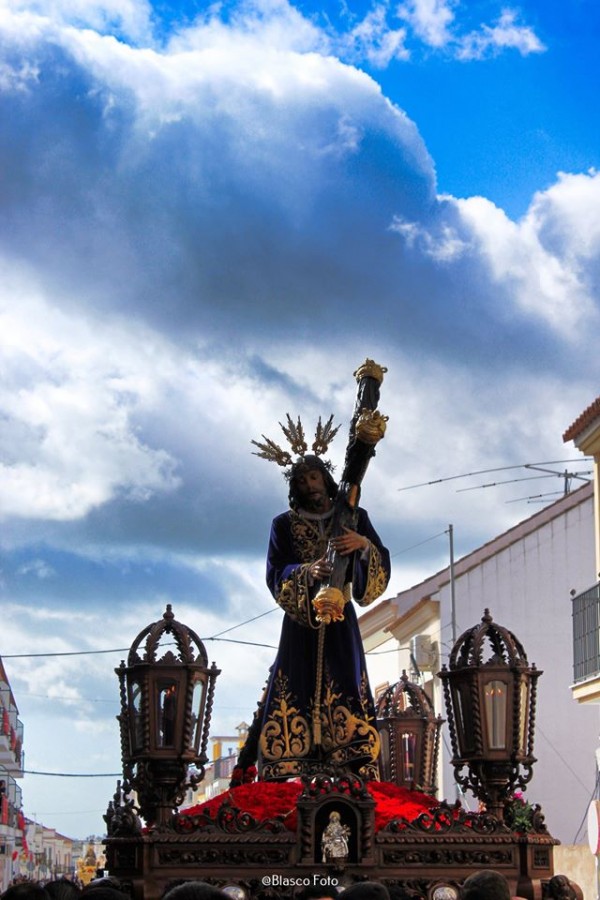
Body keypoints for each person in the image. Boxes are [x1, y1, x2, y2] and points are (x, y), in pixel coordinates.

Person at [236, 449, 390, 783]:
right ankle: (291, 763)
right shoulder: (284, 525)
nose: (310, 485)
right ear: (295, 486)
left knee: (347, 682)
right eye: (302, 480)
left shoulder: (354, 517)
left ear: (326, 477)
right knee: (294, 683)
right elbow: (275, 572)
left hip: (341, 622)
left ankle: (353, 759)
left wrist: (362, 545)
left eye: (315, 477)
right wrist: (307, 571)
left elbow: (380, 561)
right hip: (301, 624)